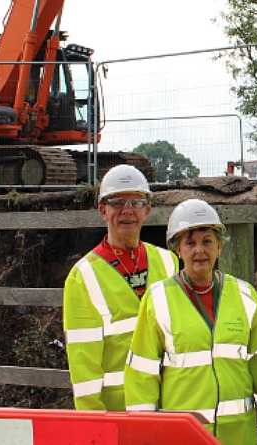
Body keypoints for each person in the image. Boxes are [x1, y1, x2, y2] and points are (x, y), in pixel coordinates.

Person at [124, 198, 257, 445]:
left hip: (238, 436)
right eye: (189, 243)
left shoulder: (244, 295)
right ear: (177, 250)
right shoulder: (158, 299)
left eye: (207, 241)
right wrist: (144, 434)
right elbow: (142, 374)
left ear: (220, 247)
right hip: (182, 438)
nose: (199, 250)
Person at [63, 164, 178, 410]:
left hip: (167, 406)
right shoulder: (83, 276)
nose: (127, 211)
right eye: (117, 202)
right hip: (119, 413)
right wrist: (95, 429)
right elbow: (84, 366)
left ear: (147, 210)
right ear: (103, 210)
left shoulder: (169, 262)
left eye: (136, 203)